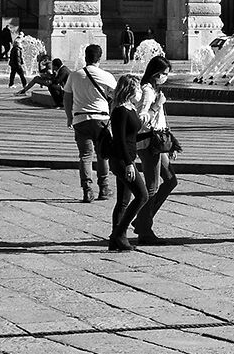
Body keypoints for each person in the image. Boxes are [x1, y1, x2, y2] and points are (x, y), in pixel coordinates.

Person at [107, 57, 178, 250]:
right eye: (164, 73)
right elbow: (140, 121)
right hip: (149, 142)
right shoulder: (147, 91)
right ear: (156, 73)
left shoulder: (153, 90)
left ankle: (142, 221)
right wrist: (155, 106)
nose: (166, 77)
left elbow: (160, 119)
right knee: (151, 188)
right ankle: (144, 228)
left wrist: (170, 143)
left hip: (158, 141)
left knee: (171, 180)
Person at [67, 44, 119, 204]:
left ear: (85, 56)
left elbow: (67, 98)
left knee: (85, 156)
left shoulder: (75, 75)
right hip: (101, 120)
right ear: (100, 57)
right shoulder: (106, 76)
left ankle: (87, 190)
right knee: (103, 155)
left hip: (80, 119)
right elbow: (117, 96)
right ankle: (104, 188)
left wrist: (69, 117)